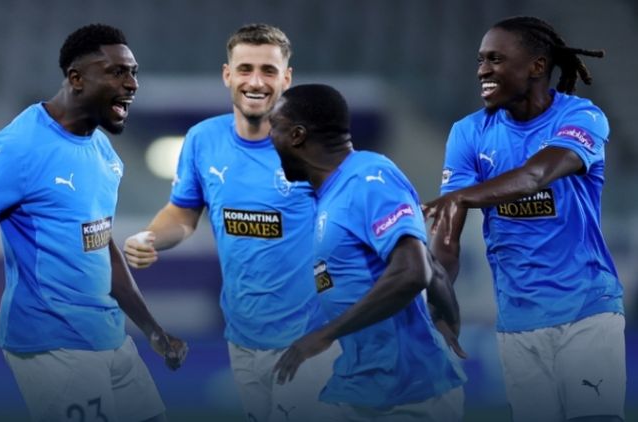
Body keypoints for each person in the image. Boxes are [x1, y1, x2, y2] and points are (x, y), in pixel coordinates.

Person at [124, 24, 340, 422]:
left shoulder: (313, 147)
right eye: (245, 69)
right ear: (227, 74)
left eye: (268, 70)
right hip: (242, 339)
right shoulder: (202, 140)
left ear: (287, 79)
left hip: (310, 341)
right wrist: (151, 236)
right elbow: (183, 213)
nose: (255, 82)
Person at [0, 24, 188, 422]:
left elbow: (100, 244)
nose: (131, 84)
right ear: (76, 78)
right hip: (52, 345)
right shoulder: (17, 148)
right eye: (117, 72)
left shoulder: (103, 151)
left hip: (110, 338)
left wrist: (152, 329)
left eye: (134, 72)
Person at [422, 16, 625, 422]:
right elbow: (447, 235)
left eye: (495, 59)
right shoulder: (468, 133)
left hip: (588, 310)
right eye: (480, 60)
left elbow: (535, 176)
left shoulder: (582, 118)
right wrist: (438, 302)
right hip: (516, 322)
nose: (482, 70)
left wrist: (461, 196)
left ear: (536, 66)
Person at [269, 84, 467, 422]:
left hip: (410, 396)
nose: (269, 138)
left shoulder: (369, 177)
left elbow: (414, 270)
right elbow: (429, 266)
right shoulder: (328, 193)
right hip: (360, 387)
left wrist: (324, 335)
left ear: (297, 135)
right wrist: (442, 313)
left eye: (274, 127)